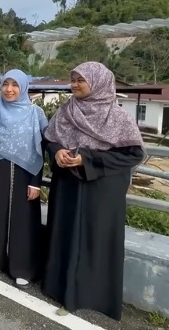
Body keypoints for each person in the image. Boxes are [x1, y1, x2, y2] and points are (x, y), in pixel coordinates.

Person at [41, 61, 145, 320]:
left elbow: (133, 154)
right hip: (67, 187)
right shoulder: (67, 111)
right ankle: (61, 289)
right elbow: (49, 139)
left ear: (98, 83)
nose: (74, 85)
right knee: (64, 235)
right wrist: (58, 152)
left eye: (81, 80)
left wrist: (86, 159)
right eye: (73, 79)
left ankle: (93, 297)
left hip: (101, 192)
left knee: (95, 241)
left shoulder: (117, 117)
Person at [0, 69, 48, 285]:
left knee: (22, 220)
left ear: (23, 88)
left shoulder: (34, 113)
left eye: (15, 85)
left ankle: (21, 267)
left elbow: (41, 149)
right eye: (5, 84)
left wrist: (36, 183)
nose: (9, 89)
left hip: (24, 174)